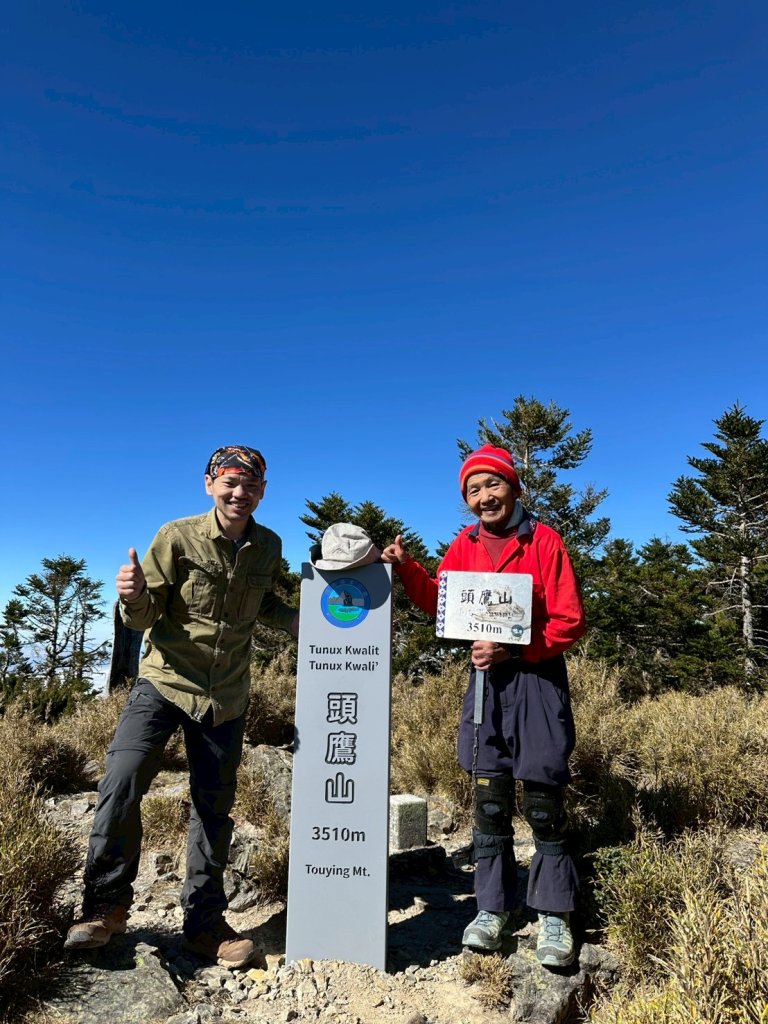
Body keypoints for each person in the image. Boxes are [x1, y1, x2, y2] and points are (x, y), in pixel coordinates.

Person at [65, 445, 299, 968]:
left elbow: (263, 604)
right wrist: (131, 594)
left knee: (213, 808)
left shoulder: (269, 546)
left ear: (263, 491)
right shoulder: (177, 536)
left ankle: (204, 925)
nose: (240, 493)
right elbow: (145, 617)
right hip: (165, 682)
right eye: (230, 482)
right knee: (121, 780)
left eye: (252, 485)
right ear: (210, 483)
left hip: (227, 695)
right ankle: (103, 908)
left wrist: (314, 622)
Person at [381, 444, 585, 968]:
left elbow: (569, 620)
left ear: (514, 486)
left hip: (538, 681)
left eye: (491, 484)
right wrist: (407, 570)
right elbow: (440, 602)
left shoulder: (544, 541)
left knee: (543, 800)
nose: (483, 497)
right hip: (486, 686)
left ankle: (554, 914)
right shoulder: (465, 545)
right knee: (490, 797)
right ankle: (493, 909)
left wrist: (513, 646)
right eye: (472, 490)